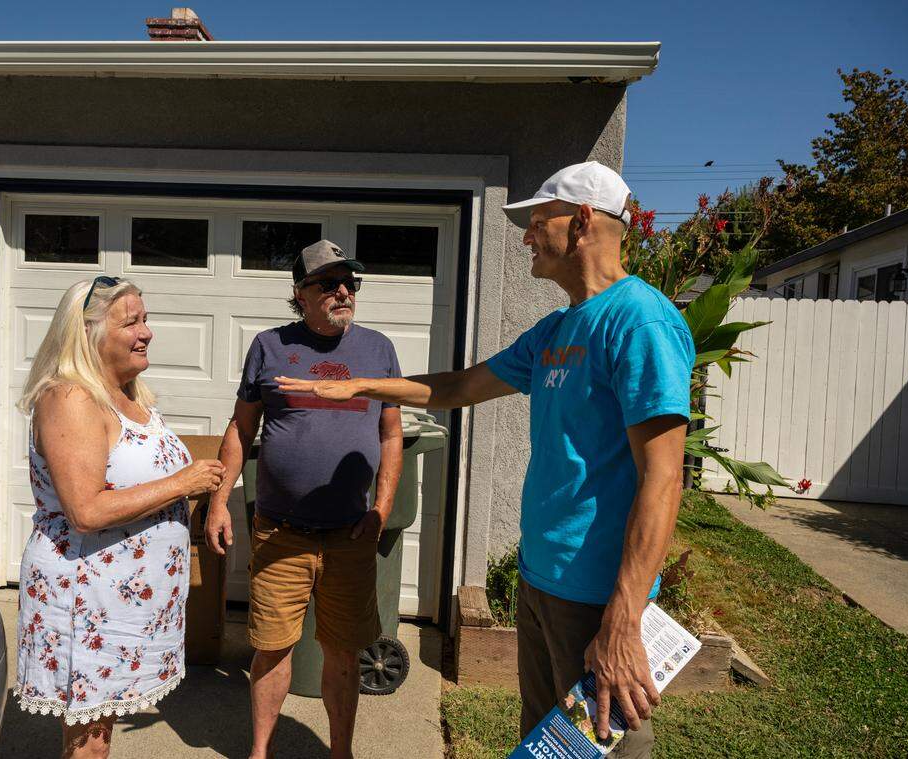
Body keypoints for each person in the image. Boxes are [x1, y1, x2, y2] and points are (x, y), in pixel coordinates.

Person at [276, 162, 694, 758]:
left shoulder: (639, 321)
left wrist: (623, 618)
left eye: (535, 220)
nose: (526, 235)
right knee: (548, 744)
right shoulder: (556, 330)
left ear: (580, 223)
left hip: (600, 593)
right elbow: (458, 388)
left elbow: (664, 477)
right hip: (542, 578)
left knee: (606, 745)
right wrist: (362, 387)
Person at [204, 240, 404, 759]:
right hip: (280, 530)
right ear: (300, 293)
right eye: (329, 283)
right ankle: (260, 752)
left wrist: (382, 508)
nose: (343, 292)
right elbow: (240, 429)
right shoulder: (269, 347)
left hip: (350, 533)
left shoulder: (378, 350)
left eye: (350, 283)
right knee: (271, 648)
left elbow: (390, 433)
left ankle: (341, 752)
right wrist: (221, 500)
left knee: (342, 652)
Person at [14, 276, 225, 759]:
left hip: (124, 606)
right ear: (86, 333)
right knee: (88, 745)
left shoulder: (129, 395)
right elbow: (85, 510)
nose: (146, 332)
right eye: (131, 322)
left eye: (145, 319)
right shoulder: (71, 399)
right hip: (86, 600)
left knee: (98, 737)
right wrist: (182, 484)